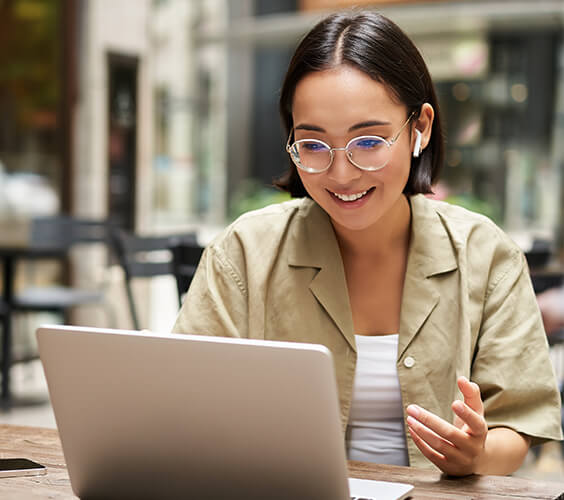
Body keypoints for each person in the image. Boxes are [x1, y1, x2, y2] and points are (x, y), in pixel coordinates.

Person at [173, 11, 562, 476]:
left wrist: (475, 454)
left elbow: (515, 425)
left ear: (420, 128)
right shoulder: (242, 254)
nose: (341, 174)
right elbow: (185, 410)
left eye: (369, 141)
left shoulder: (487, 255)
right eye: (314, 146)